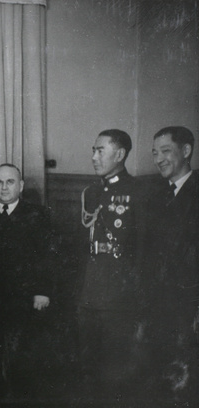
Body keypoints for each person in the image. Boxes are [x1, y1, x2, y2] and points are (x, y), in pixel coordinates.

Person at [0, 163, 53, 399]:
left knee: (19, 362)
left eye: (10, 182)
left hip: (23, 302)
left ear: (21, 185)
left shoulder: (38, 215)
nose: (4, 187)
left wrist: (43, 291)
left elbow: (47, 257)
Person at [76, 129, 145, 400]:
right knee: (87, 368)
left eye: (100, 151)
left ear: (120, 154)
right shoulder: (91, 192)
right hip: (88, 292)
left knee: (116, 370)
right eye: (93, 150)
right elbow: (80, 245)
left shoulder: (139, 191)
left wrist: (137, 296)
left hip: (120, 294)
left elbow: (143, 248)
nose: (94, 157)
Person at [146, 126, 199, 404]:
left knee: (186, 384)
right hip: (158, 307)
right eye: (155, 153)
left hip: (189, 309)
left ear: (186, 151)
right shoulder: (156, 194)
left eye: (166, 151)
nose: (159, 159)